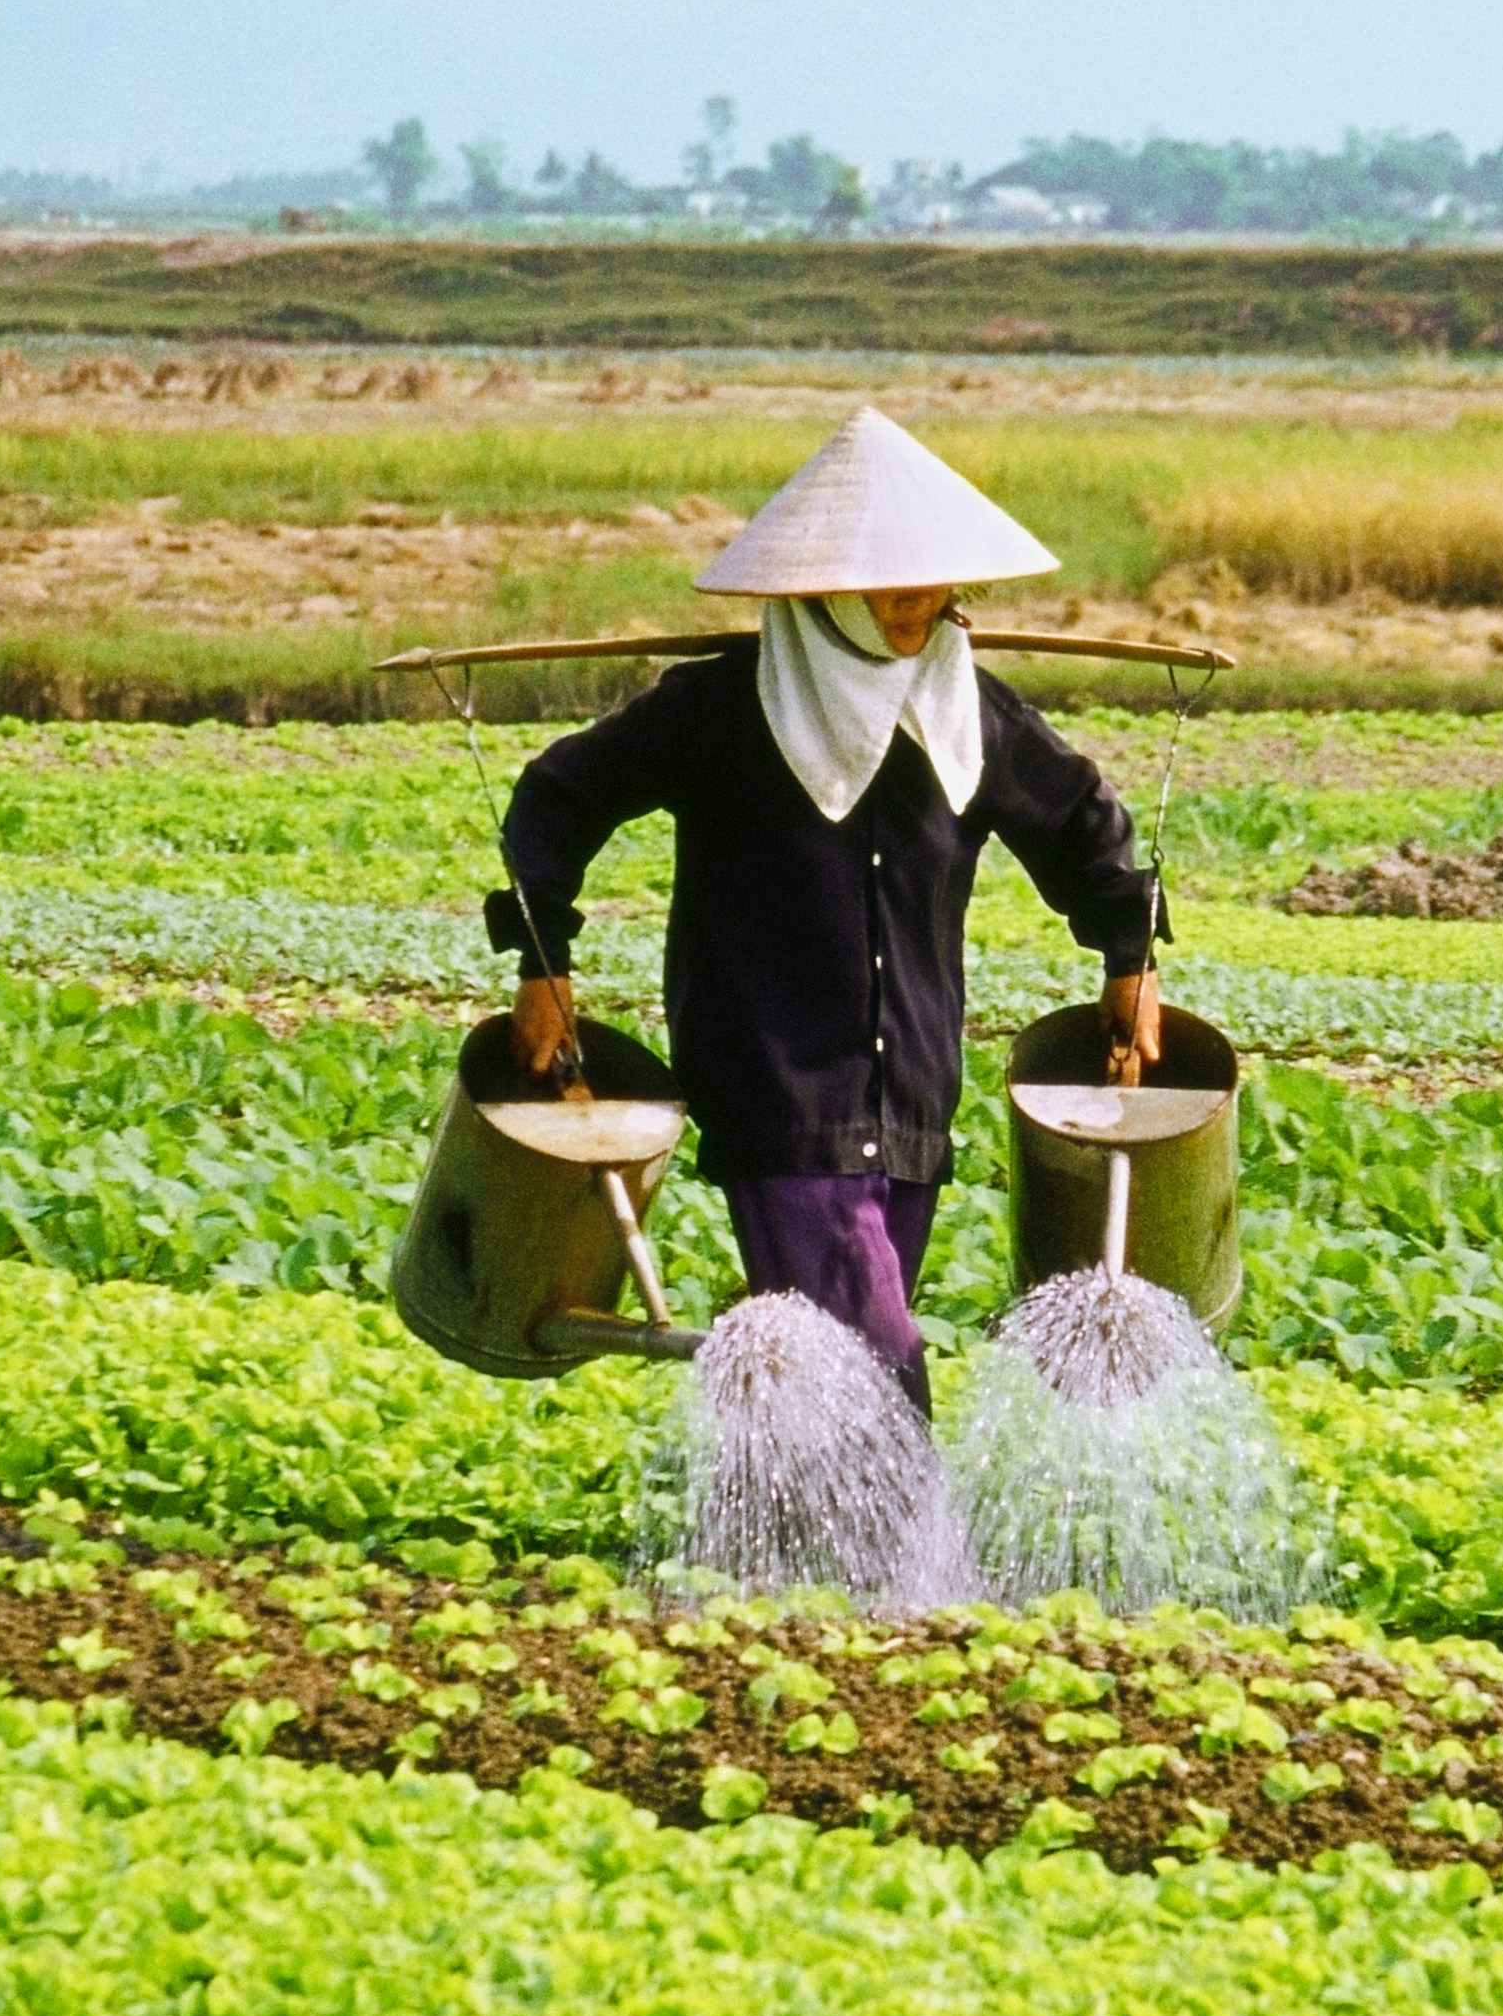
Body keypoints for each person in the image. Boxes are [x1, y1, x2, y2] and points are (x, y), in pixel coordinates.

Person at [490, 406, 1163, 1408]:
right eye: (887, 579)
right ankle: (914, 1553)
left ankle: (782, 1536)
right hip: (778, 1090)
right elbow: (557, 798)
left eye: (933, 579)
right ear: (825, 587)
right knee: (873, 1349)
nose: (915, 599)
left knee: (827, 1354)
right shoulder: (722, 710)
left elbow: (1084, 829)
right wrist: (543, 964)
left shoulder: (968, 716)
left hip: (916, 1095)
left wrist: (1131, 964)